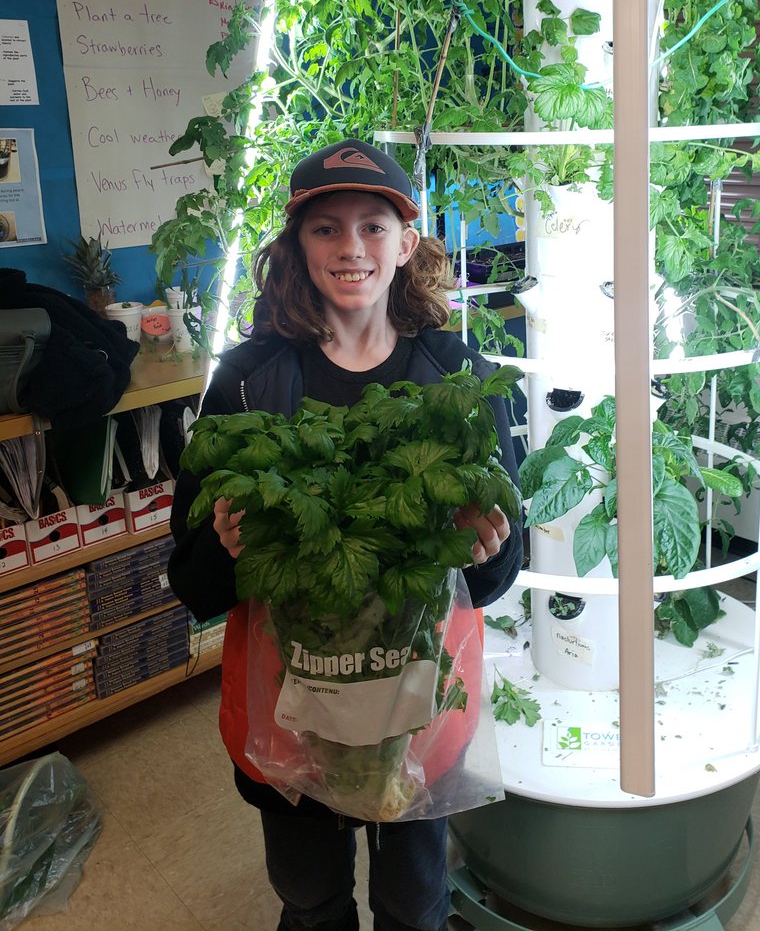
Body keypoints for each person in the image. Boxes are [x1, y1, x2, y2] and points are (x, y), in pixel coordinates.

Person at [167, 136, 523, 931]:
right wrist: (225, 552)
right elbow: (188, 578)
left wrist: (487, 549)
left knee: (414, 899)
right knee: (308, 895)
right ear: (297, 247)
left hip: (417, 701)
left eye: (372, 225)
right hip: (293, 703)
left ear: (406, 243)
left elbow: (500, 572)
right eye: (326, 228)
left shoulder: (457, 374)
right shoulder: (246, 379)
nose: (351, 247)